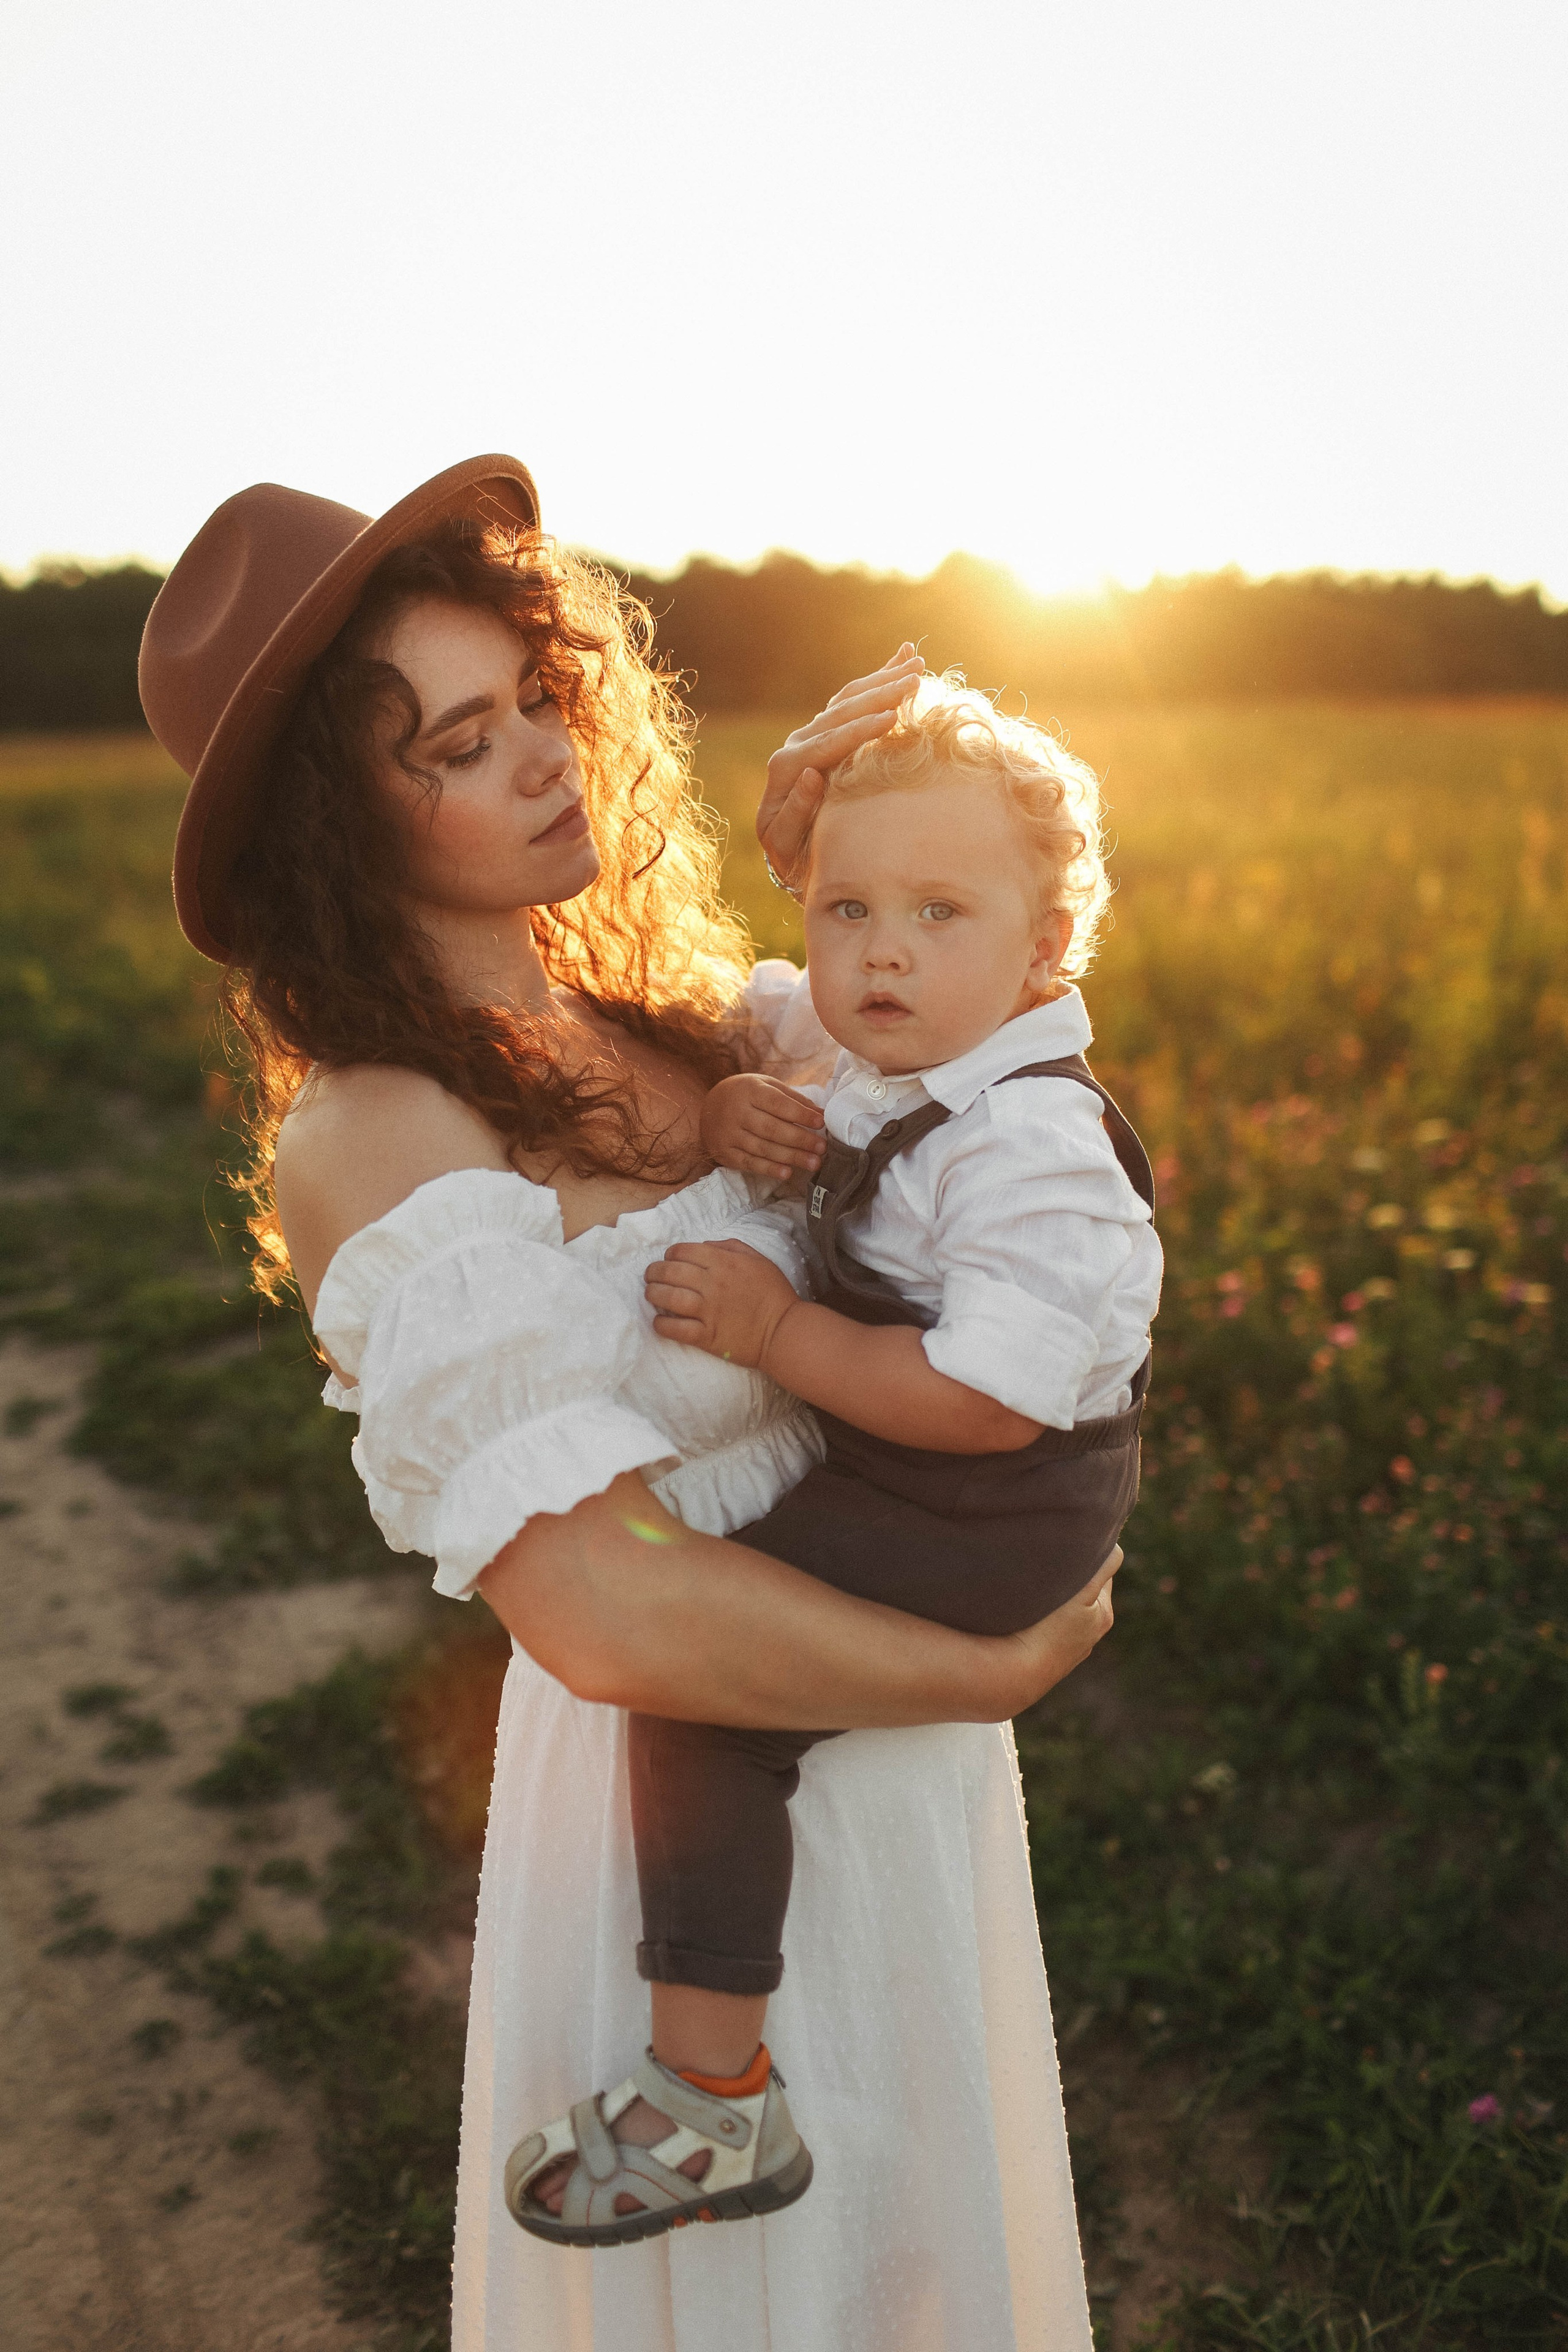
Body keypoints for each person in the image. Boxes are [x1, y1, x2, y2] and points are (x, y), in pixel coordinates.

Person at [138, 454, 1111, 2352]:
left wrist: (846, 864)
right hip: (689, 1812)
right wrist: (983, 1670)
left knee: (924, 2266)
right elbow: (604, 1608)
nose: (540, 760)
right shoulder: (378, 1129)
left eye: (532, 700)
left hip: (893, 1780)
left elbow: (998, 1087)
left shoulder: (677, 1016)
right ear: (339, 828)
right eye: (454, 745)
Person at [510, 676, 1160, 2244]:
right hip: (920, 1467)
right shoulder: (883, 1027)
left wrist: (774, 1335)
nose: (880, 951)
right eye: (848, 906)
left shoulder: (1031, 1148)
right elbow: (746, 1026)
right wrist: (743, 1101)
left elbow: (984, 1399)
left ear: (1044, 947)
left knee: (704, 1689)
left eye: (940, 910)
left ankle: (711, 2100)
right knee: (713, 1617)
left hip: (987, 1497)